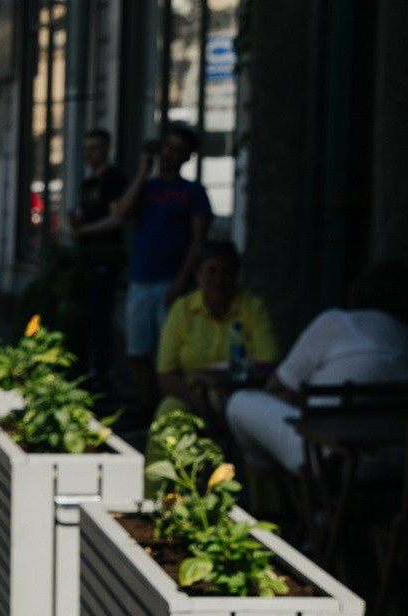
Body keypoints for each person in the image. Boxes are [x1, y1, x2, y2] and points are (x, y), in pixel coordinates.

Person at [226, 260, 408, 476]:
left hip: (327, 459)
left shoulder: (337, 322)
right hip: (392, 465)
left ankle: (274, 484)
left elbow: (275, 386)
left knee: (239, 402)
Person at [113, 124, 212, 414]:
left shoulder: (193, 192)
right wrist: (143, 171)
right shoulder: (147, 188)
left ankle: (171, 409)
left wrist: (182, 281)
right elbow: (121, 213)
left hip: (173, 282)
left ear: (187, 157)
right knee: (137, 351)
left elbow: (198, 241)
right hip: (141, 279)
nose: (170, 155)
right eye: (167, 148)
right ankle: (148, 410)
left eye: (178, 151)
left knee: (169, 354)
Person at [155, 240, 278, 421]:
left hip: (243, 397)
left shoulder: (253, 308)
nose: (219, 280)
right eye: (211, 271)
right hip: (192, 396)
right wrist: (202, 407)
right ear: (198, 275)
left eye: (226, 272)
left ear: (236, 274)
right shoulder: (182, 309)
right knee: (169, 414)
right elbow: (166, 373)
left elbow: (268, 364)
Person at [71, 128, 129, 383]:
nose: (89, 153)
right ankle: (86, 369)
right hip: (87, 256)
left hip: (105, 256)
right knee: (85, 313)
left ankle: (101, 371)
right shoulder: (88, 183)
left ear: (107, 149)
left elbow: (117, 218)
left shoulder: (114, 179)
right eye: (86, 148)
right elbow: (90, 212)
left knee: (99, 314)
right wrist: (77, 223)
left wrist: (85, 229)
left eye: (95, 147)